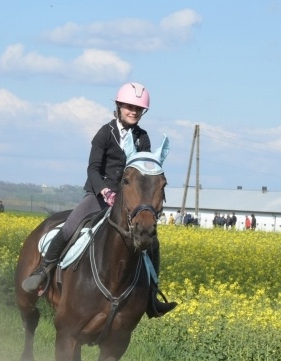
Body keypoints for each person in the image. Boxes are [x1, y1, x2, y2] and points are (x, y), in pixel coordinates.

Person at [21, 82, 176, 317]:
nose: (133, 111)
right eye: (129, 107)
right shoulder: (105, 133)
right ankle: (42, 271)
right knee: (70, 226)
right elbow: (93, 168)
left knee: (152, 242)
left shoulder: (142, 138)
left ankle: (151, 295)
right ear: (119, 106)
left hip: (126, 201)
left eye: (138, 109)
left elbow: (142, 174)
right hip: (98, 196)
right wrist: (104, 190)